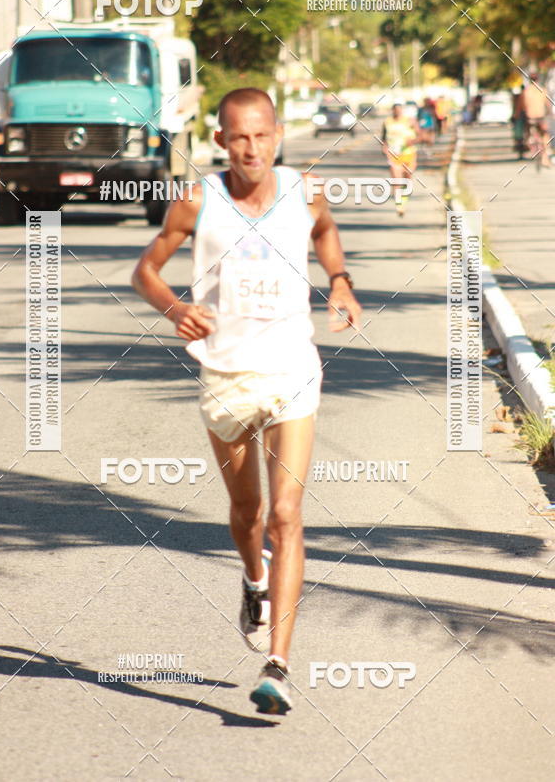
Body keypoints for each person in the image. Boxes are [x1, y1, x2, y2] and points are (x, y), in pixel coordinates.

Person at [131, 88, 362, 714]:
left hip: (292, 368)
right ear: (220, 142)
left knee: (288, 513)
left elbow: (326, 230)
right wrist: (176, 309)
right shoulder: (198, 202)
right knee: (247, 512)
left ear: (278, 135)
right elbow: (145, 270)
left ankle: (278, 666)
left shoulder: (303, 189)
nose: (251, 148)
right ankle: (253, 579)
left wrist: (339, 281)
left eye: (261, 135)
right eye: (239, 137)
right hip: (225, 375)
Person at [381, 103, 419, 217]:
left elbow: (420, 135)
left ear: (402, 110)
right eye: (395, 110)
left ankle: (404, 200)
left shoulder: (410, 121)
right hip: (394, 156)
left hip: (409, 154)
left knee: (407, 180)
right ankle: (400, 206)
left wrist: (411, 141)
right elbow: (384, 138)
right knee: (397, 181)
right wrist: (384, 148)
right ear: (392, 110)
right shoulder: (387, 122)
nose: (397, 112)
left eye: (399, 110)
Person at [521, 71, 551, 168]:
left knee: (526, 130)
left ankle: (528, 141)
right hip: (541, 117)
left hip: (530, 118)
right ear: (538, 79)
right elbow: (548, 105)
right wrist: (549, 113)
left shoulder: (526, 91)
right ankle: (545, 158)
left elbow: (522, 106)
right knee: (545, 135)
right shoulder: (542, 90)